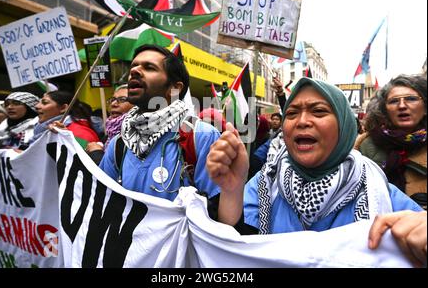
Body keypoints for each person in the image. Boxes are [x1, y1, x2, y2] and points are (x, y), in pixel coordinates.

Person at [206, 77, 422, 239]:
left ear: (344, 126)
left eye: (318, 112)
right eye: (291, 114)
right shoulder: (265, 182)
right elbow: (232, 246)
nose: (302, 121)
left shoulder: (379, 190)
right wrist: (232, 191)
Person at [99, 44, 237, 225]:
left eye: (149, 67)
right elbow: (99, 200)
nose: (135, 71)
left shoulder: (200, 136)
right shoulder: (120, 143)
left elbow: (218, 217)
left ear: (174, 89)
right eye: (134, 66)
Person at [355, 74, 426, 209]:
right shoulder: (366, 146)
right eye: (393, 101)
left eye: (411, 99)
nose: (402, 105)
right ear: (384, 110)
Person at [31, 90, 100, 149]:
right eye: (39, 102)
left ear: (63, 108)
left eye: (45, 103)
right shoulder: (42, 130)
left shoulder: (80, 132)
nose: (37, 106)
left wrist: (65, 136)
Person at [86, 83, 133, 163]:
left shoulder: (136, 138)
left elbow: (115, 173)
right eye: (112, 99)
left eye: (122, 100)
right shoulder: (108, 136)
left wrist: (96, 152)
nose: (113, 104)